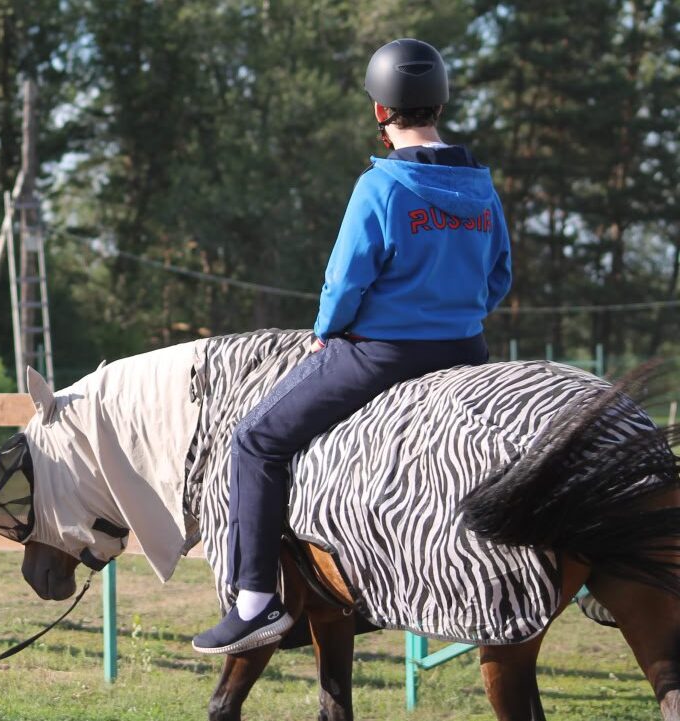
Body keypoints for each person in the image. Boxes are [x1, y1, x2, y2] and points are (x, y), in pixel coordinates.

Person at [193, 38, 511, 655]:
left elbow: (346, 281)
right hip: (469, 352)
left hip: (381, 354)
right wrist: (456, 315)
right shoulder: (481, 187)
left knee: (254, 439)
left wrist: (326, 334)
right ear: (439, 104)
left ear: (378, 112)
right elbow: (499, 278)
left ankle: (255, 601)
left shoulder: (381, 185)